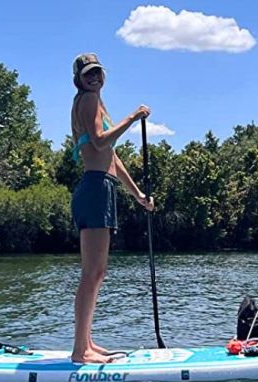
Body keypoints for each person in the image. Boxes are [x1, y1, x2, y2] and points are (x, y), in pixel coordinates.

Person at [69, 53, 154, 364]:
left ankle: (87, 343)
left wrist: (138, 195)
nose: (94, 78)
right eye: (88, 74)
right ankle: (80, 351)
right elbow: (101, 141)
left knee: (98, 272)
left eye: (97, 73)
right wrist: (132, 118)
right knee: (91, 272)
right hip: (93, 187)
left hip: (103, 187)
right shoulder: (88, 100)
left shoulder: (97, 103)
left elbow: (113, 159)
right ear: (78, 78)